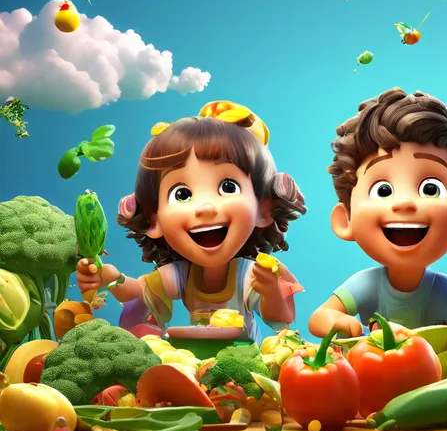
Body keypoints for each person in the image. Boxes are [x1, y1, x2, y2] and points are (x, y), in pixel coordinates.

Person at [76, 101, 307, 345]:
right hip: (192, 360)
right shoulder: (183, 275)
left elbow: (281, 318)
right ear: (155, 220)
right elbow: (141, 291)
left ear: (263, 208)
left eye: (228, 187)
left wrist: (270, 289)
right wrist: (112, 279)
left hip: (244, 362)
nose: (205, 208)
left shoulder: (248, 274)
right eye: (182, 194)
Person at [308, 87, 447, 357]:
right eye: (383, 190)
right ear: (346, 219)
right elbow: (318, 318)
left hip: (435, 381)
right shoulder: (365, 286)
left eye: (431, 188)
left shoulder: (445, 291)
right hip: (375, 376)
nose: (404, 203)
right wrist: (339, 321)